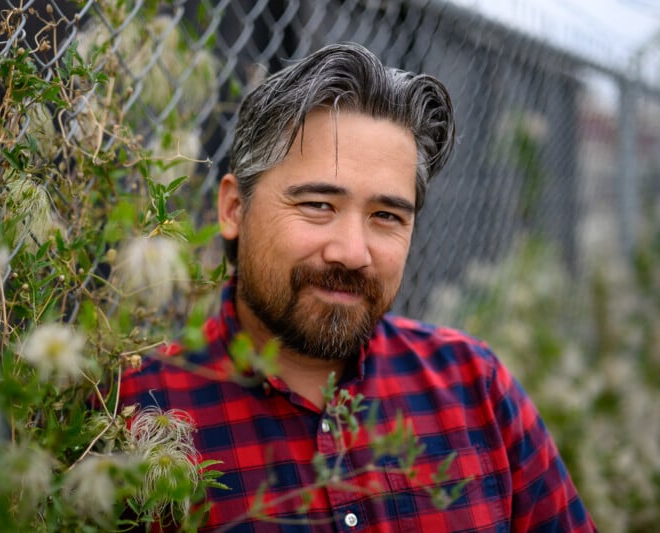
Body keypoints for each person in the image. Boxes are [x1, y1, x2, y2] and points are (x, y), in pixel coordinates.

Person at [115, 42, 597, 532]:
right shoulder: (132, 415)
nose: (352, 251)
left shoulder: (475, 387)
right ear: (235, 210)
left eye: (386, 216)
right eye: (318, 205)